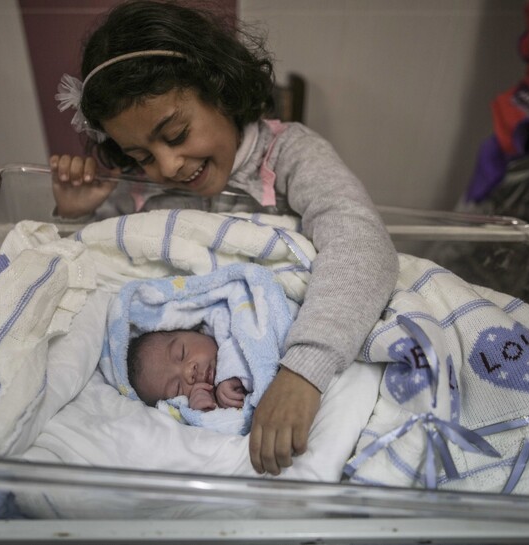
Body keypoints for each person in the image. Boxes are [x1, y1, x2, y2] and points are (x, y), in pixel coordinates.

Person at [50, 0, 398, 475]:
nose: (166, 168)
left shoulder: (290, 155)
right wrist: (73, 220)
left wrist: (304, 370)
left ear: (221, 88)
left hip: (305, 356)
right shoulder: (140, 191)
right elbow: (99, 275)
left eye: (175, 134)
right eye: (140, 155)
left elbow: (362, 243)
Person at [126, 329, 247, 411]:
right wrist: (206, 410)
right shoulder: (197, 410)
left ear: (193, 330)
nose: (188, 373)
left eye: (181, 353)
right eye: (177, 388)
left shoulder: (225, 321)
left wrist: (231, 373)